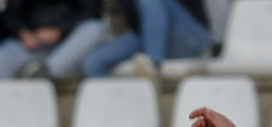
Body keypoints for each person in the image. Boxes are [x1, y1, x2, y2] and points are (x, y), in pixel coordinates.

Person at [79, 0, 210, 80]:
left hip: (189, 36)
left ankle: (152, 65)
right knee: (92, 63)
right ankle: (127, 103)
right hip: (146, 37)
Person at [0, 0, 105, 80]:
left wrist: (61, 31)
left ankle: (46, 73)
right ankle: (6, 109)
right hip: (35, 43)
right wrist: (22, 32)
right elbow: (10, 14)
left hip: (70, 45)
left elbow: (92, 12)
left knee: (95, 28)